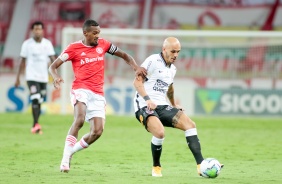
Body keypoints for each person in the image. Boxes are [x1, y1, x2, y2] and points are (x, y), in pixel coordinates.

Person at [49, 19, 147, 173]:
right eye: (94, 33)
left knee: (97, 131)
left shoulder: (104, 44)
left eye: (98, 33)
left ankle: (70, 151)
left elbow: (125, 55)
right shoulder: (73, 48)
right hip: (80, 89)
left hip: (97, 93)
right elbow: (53, 66)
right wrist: (55, 77)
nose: (97, 36)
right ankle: (65, 158)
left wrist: (135, 67)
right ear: (85, 33)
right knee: (79, 119)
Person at [133, 37, 223, 177]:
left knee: (190, 124)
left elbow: (169, 88)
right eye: (173, 51)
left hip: (162, 106)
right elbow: (137, 83)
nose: (175, 55)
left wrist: (174, 104)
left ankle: (201, 165)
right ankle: (156, 166)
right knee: (160, 132)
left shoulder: (172, 69)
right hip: (144, 105)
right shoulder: (152, 61)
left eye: (178, 52)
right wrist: (148, 99)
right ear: (164, 50)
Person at [15, 21, 56, 134]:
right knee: (35, 98)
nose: (37, 31)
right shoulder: (27, 44)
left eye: (39, 29)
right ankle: (36, 125)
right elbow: (22, 61)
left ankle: (35, 125)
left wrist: (56, 74)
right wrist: (17, 78)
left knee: (39, 101)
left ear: (42, 31)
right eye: (35, 29)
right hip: (31, 77)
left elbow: (53, 59)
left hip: (43, 77)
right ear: (32, 31)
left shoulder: (47, 44)